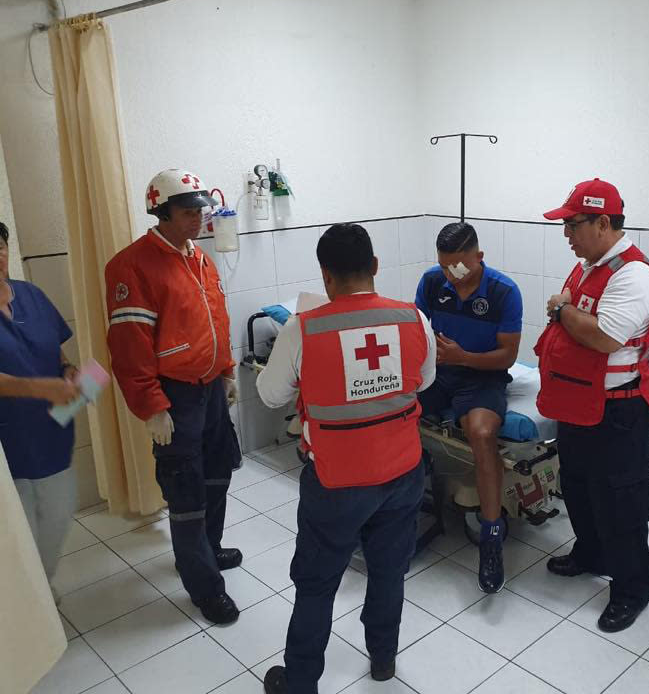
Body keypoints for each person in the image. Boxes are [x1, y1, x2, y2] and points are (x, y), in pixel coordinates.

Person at [256, 223, 435, 694]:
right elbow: (426, 380)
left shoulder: (303, 328)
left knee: (316, 583)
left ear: (325, 276)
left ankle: (299, 683)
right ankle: (383, 659)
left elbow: (270, 395)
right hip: (402, 473)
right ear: (375, 267)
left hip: (336, 482)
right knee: (389, 569)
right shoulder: (413, 319)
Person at [104, 169, 243, 625]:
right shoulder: (132, 266)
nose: (197, 220)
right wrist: (152, 406)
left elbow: (216, 320)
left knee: (218, 473)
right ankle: (203, 587)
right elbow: (129, 346)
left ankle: (209, 547)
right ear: (160, 212)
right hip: (174, 397)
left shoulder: (200, 260)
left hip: (210, 392)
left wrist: (226, 371)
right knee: (185, 490)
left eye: (200, 210)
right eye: (187, 212)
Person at [535, 178, 649, 633]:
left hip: (619, 411)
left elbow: (604, 335)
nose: (567, 234)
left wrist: (561, 311)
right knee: (579, 488)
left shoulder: (634, 274)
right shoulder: (590, 265)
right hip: (579, 404)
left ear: (603, 222)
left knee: (620, 503)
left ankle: (632, 588)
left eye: (573, 224)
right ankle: (589, 553)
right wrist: (567, 311)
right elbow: (578, 316)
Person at [415, 222, 522, 594]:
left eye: (459, 267)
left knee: (480, 432)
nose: (451, 275)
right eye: (445, 267)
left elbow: (508, 355)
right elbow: (419, 333)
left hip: (483, 376)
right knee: (395, 410)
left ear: (479, 257)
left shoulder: (503, 291)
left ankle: (491, 537)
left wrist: (465, 357)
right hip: (439, 372)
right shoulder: (431, 283)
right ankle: (403, 504)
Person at [0, 220, 80, 594]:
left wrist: (68, 371)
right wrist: (37, 388)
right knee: (17, 536)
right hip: (7, 443)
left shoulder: (30, 294)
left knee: (56, 522)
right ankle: (29, 606)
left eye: (1, 246)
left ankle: (41, 590)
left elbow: (54, 344)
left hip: (51, 432)